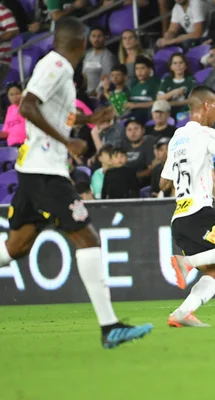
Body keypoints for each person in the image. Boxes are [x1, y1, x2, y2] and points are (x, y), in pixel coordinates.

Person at [0, 17, 152, 348]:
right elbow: (27, 106)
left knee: (16, 247)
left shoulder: (57, 70)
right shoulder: (57, 65)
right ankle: (109, 327)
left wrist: (87, 119)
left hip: (36, 169)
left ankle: (110, 327)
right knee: (88, 238)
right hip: (45, 171)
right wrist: (67, 143)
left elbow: (57, 114)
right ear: (82, 44)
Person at [2, 83, 26, 147]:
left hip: (25, 143)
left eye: (17, 94)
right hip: (11, 145)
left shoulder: (26, 106)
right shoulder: (9, 109)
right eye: (11, 95)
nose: (14, 97)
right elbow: (6, 132)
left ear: (22, 93)